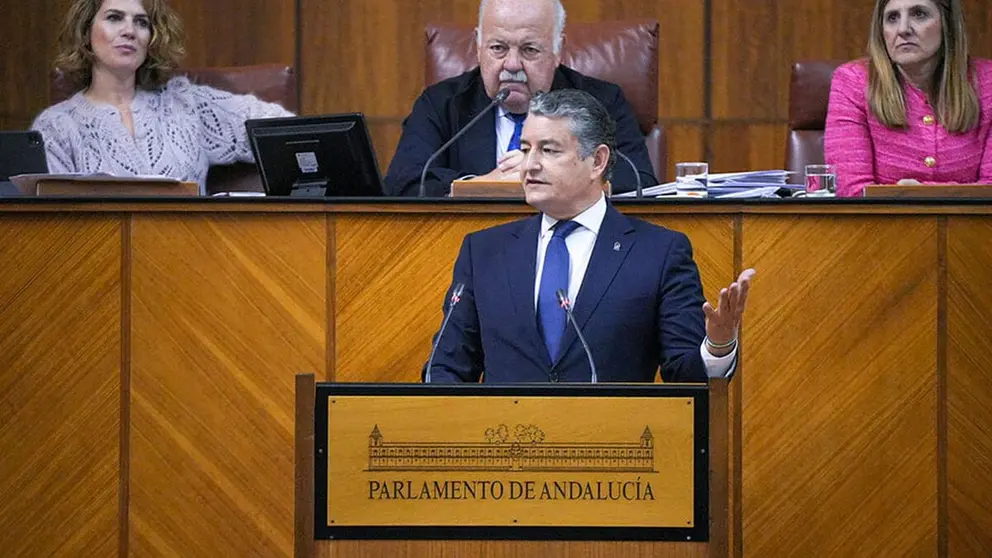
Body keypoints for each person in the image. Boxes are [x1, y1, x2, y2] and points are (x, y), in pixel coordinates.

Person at [423, 89, 754, 383]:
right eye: (525, 150)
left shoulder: (659, 253)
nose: (529, 166)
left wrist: (718, 345)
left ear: (597, 161)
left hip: (615, 446)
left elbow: (684, 375)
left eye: (549, 150)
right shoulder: (483, 251)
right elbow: (447, 367)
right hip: (504, 443)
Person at [384, 0, 656, 197]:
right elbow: (403, 182)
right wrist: (479, 186)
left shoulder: (601, 102)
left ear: (556, 51)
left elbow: (638, 180)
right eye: (498, 48)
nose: (512, 65)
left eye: (529, 50)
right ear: (478, 46)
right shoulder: (441, 103)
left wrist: (555, 176)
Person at [31, 0, 294, 195]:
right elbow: (56, 226)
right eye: (114, 18)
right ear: (86, 33)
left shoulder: (185, 104)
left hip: (196, 251)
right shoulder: (57, 126)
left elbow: (283, 131)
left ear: (151, 38)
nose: (129, 31)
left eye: (141, 22)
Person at [824, 0, 992, 197]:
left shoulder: (987, 82)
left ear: (947, 23)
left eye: (919, 14)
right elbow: (851, 190)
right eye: (892, 17)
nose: (903, 29)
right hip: (878, 226)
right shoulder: (854, 82)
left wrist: (916, 193)